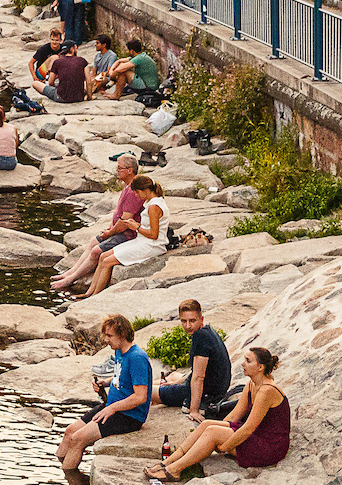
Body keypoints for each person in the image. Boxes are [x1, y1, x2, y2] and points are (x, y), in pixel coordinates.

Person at [150, 346, 289, 480]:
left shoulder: (267, 391)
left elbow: (248, 429)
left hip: (269, 446)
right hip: (256, 436)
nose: (242, 364)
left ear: (260, 367)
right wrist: (216, 434)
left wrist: (224, 445)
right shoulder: (252, 384)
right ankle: (167, 463)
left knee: (213, 432)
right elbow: (235, 416)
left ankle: (174, 471)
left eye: (248, 360)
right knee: (207, 425)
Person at [57, 314, 153, 470]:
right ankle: (59, 467)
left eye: (109, 335)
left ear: (122, 335)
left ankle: (69, 478)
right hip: (111, 407)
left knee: (77, 439)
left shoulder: (137, 358)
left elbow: (140, 396)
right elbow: (121, 377)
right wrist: (106, 383)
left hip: (128, 416)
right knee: (69, 432)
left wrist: (112, 408)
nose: (105, 340)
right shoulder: (119, 351)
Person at [50, 156, 142, 291]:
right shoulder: (126, 185)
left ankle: (71, 279)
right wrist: (110, 228)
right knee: (94, 241)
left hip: (128, 234)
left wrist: (110, 232)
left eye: (120, 168)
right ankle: (69, 273)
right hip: (119, 230)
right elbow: (118, 213)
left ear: (130, 170)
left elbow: (125, 221)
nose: (116, 170)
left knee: (96, 251)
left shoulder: (134, 190)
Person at [84, 175, 168, 295]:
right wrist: (135, 224)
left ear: (145, 190)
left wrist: (136, 227)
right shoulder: (151, 202)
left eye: (137, 193)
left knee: (107, 261)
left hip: (152, 245)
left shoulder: (154, 206)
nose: (137, 196)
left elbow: (154, 234)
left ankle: (95, 295)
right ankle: (88, 293)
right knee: (103, 257)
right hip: (142, 241)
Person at [154, 299, 233, 420]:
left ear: (201, 319)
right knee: (174, 375)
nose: (188, 326)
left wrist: (194, 410)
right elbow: (196, 370)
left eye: (192, 321)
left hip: (205, 393)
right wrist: (174, 383)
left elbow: (198, 377)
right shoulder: (208, 331)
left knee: (147, 391)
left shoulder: (200, 337)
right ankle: (167, 384)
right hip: (217, 389)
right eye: (183, 321)